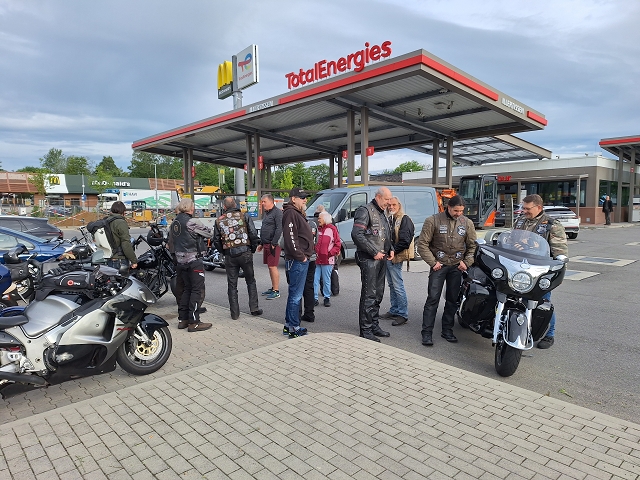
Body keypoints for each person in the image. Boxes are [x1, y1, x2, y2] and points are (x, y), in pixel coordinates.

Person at [418, 195, 476, 346]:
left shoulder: (467, 223)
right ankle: (426, 333)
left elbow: (473, 246)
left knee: (452, 300)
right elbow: (422, 244)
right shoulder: (433, 220)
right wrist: (433, 262)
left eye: (461, 211)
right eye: (456, 210)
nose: (459, 213)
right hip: (438, 266)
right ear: (448, 207)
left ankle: (447, 330)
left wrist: (466, 262)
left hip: (457, 266)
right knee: (433, 299)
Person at [513, 193, 568, 349]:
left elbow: (560, 253)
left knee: (542, 303)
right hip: (519, 269)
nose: (524, 211)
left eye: (527, 208)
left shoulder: (552, 225)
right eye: (523, 208)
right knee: (519, 302)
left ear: (538, 207)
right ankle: (521, 329)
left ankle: (549, 335)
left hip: (540, 272)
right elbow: (511, 240)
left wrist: (556, 276)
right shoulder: (520, 221)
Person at [351, 187, 394, 342]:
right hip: (369, 259)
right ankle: (366, 329)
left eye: (390, 199)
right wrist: (374, 251)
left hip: (382, 258)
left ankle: (374, 325)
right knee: (369, 294)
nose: (389, 202)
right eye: (386, 199)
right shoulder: (365, 211)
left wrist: (391, 248)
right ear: (378, 197)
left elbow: (385, 234)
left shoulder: (383, 213)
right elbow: (357, 234)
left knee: (378, 294)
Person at [213, 197, 262, 320]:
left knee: (232, 284)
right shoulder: (244, 216)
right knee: (250, 281)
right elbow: (253, 234)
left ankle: (234, 313)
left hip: (230, 254)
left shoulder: (219, 220)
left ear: (224, 207)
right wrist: (252, 249)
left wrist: (224, 252)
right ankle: (254, 308)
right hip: (245, 252)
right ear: (235, 205)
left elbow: (216, 240)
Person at [170, 198, 213, 332]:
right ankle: (194, 322)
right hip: (193, 259)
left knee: (186, 289)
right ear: (190, 208)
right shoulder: (192, 221)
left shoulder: (175, 222)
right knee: (196, 290)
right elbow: (209, 233)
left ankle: (183, 320)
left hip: (180, 260)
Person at [282, 187, 314, 338]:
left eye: (305, 197)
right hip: (297, 260)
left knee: (294, 294)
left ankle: (289, 325)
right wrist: (301, 256)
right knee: (296, 295)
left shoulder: (295, 213)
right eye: (302, 197)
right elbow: (291, 238)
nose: (305, 199)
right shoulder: (291, 213)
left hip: (298, 259)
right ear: (293, 199)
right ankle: (294, 328)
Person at [382, 196, 414, 326]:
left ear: (399, 205)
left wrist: (392, 251)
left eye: (394, 205)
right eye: (389, 205)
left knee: (397, 285)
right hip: (389, 256)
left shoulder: (404, 219)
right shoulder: (390, 218)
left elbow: (405, 240)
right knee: (392, 284)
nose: (391, 207)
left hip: (396, 256)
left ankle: (402, 314)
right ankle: (394, 310)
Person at [257, 194, 283, 300]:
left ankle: (276, 291)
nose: (262, 204)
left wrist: (274, 243)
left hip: (273, 245)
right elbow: (265, 228)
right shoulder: (267, 213)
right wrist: (262, 243)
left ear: (271, 202)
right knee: (270, 266)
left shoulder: (277, 213)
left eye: (264, 202)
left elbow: (279, 229)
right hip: (266, 243)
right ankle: (273, 288)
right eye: (262, 202)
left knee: (273, 266)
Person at [313, 211, 341, 307]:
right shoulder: (318, 229)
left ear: (325, 219)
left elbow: (337, 244)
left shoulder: (332, 229)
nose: (318, 220)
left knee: (326, 280)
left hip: (328, 260)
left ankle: (326, 297)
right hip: (317, 259)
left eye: (319, 218)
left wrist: (330, 254)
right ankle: (315, 298)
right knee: (315, 280)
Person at [105, 201, 138, 272]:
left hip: (109, 258)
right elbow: (126, 243)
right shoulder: (120, 222)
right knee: (122, 278)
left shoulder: (107, 220)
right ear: (123, 211)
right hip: (119, 260)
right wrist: (134, 260)